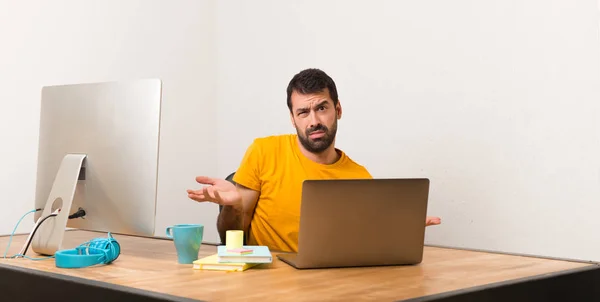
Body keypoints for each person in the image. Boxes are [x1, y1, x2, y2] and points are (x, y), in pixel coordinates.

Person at [187, 68, 441, 252]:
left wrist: (400, 236)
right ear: (292, 118)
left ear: (338, 110)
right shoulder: (264, 151)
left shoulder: (360, 177)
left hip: (329, 285)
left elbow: (362, 247)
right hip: (265, 283)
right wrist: (233, 206)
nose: (314, 121)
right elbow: (231, 236)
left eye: (321, 108)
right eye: (303, 112)